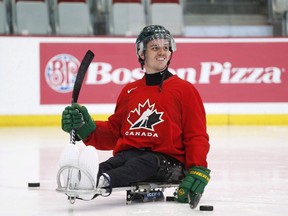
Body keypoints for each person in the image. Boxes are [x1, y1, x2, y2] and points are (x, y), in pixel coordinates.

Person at [60, 25, 211, 204]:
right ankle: (87, 178)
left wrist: (197, 168)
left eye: (166, 47)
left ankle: (103, 180)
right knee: (114, 162)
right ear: (141, 53)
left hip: (169, 163)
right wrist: (86, 129)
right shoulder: (130, 90)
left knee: (141, 163)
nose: (162, 52)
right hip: (131, 155)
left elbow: (196, 135)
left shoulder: (185, 90)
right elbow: (116, 132)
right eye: (155, 47)